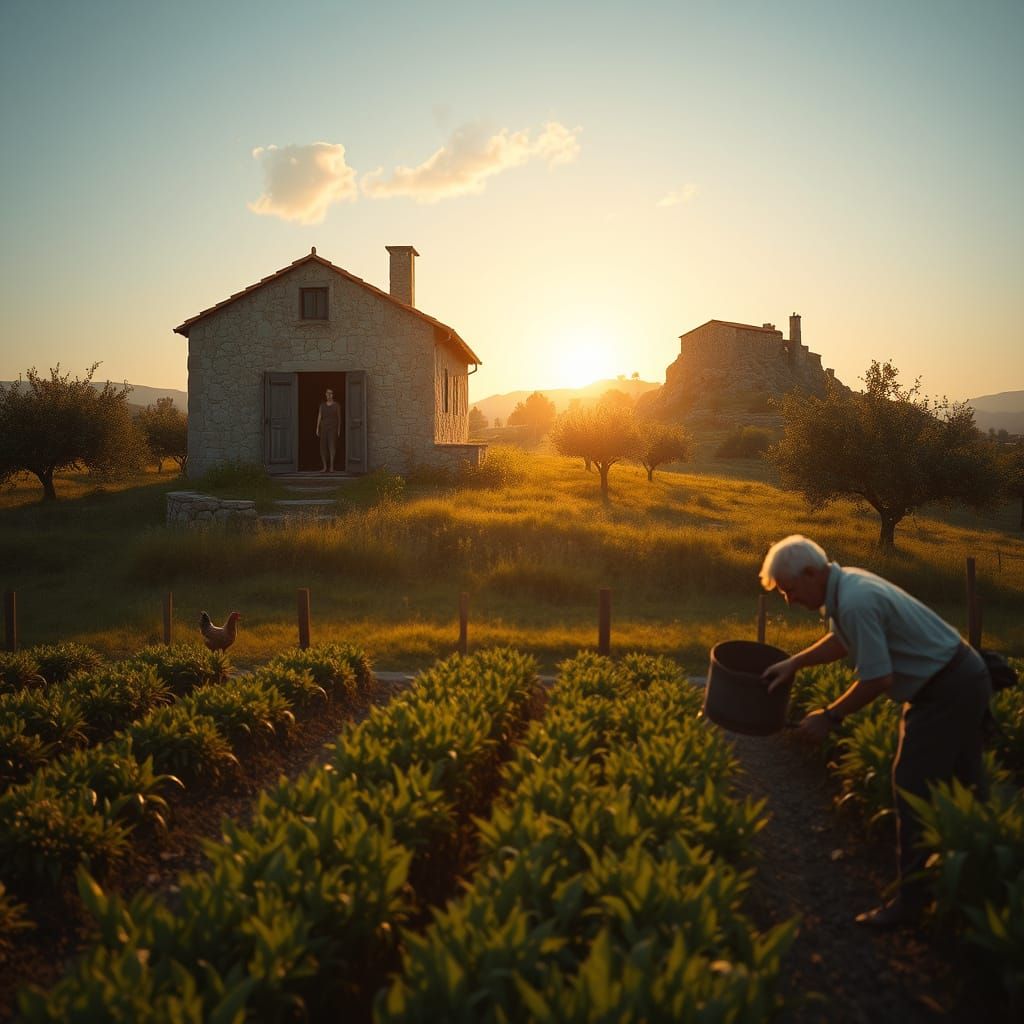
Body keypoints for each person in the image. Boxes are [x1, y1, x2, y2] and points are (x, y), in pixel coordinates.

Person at [759, 535, 991, 929]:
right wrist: (795, 663)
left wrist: (829, 716)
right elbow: (844, 640)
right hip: (961, 677)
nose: (788, 599)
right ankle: (982, 888)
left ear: (812, 573)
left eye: (789, 590)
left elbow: (878, 678)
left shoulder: (854, 600)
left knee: (912, 784)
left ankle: (912, 905)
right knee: (967, 786)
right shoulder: (845, 585)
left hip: (946, 690)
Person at [315, 387, 341, 472]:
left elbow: (339, 418)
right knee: (323, 447)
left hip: (333, 429)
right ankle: (325, 467)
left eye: (331, 393)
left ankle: (331, 467)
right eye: (327, 393)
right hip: (323, 429)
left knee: (332, 447)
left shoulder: (336, 405)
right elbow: (319, 416)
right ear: (325, 394)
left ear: (333, 395)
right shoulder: (322, 405)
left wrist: (338, 429)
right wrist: (317, 428)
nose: (329, 395)